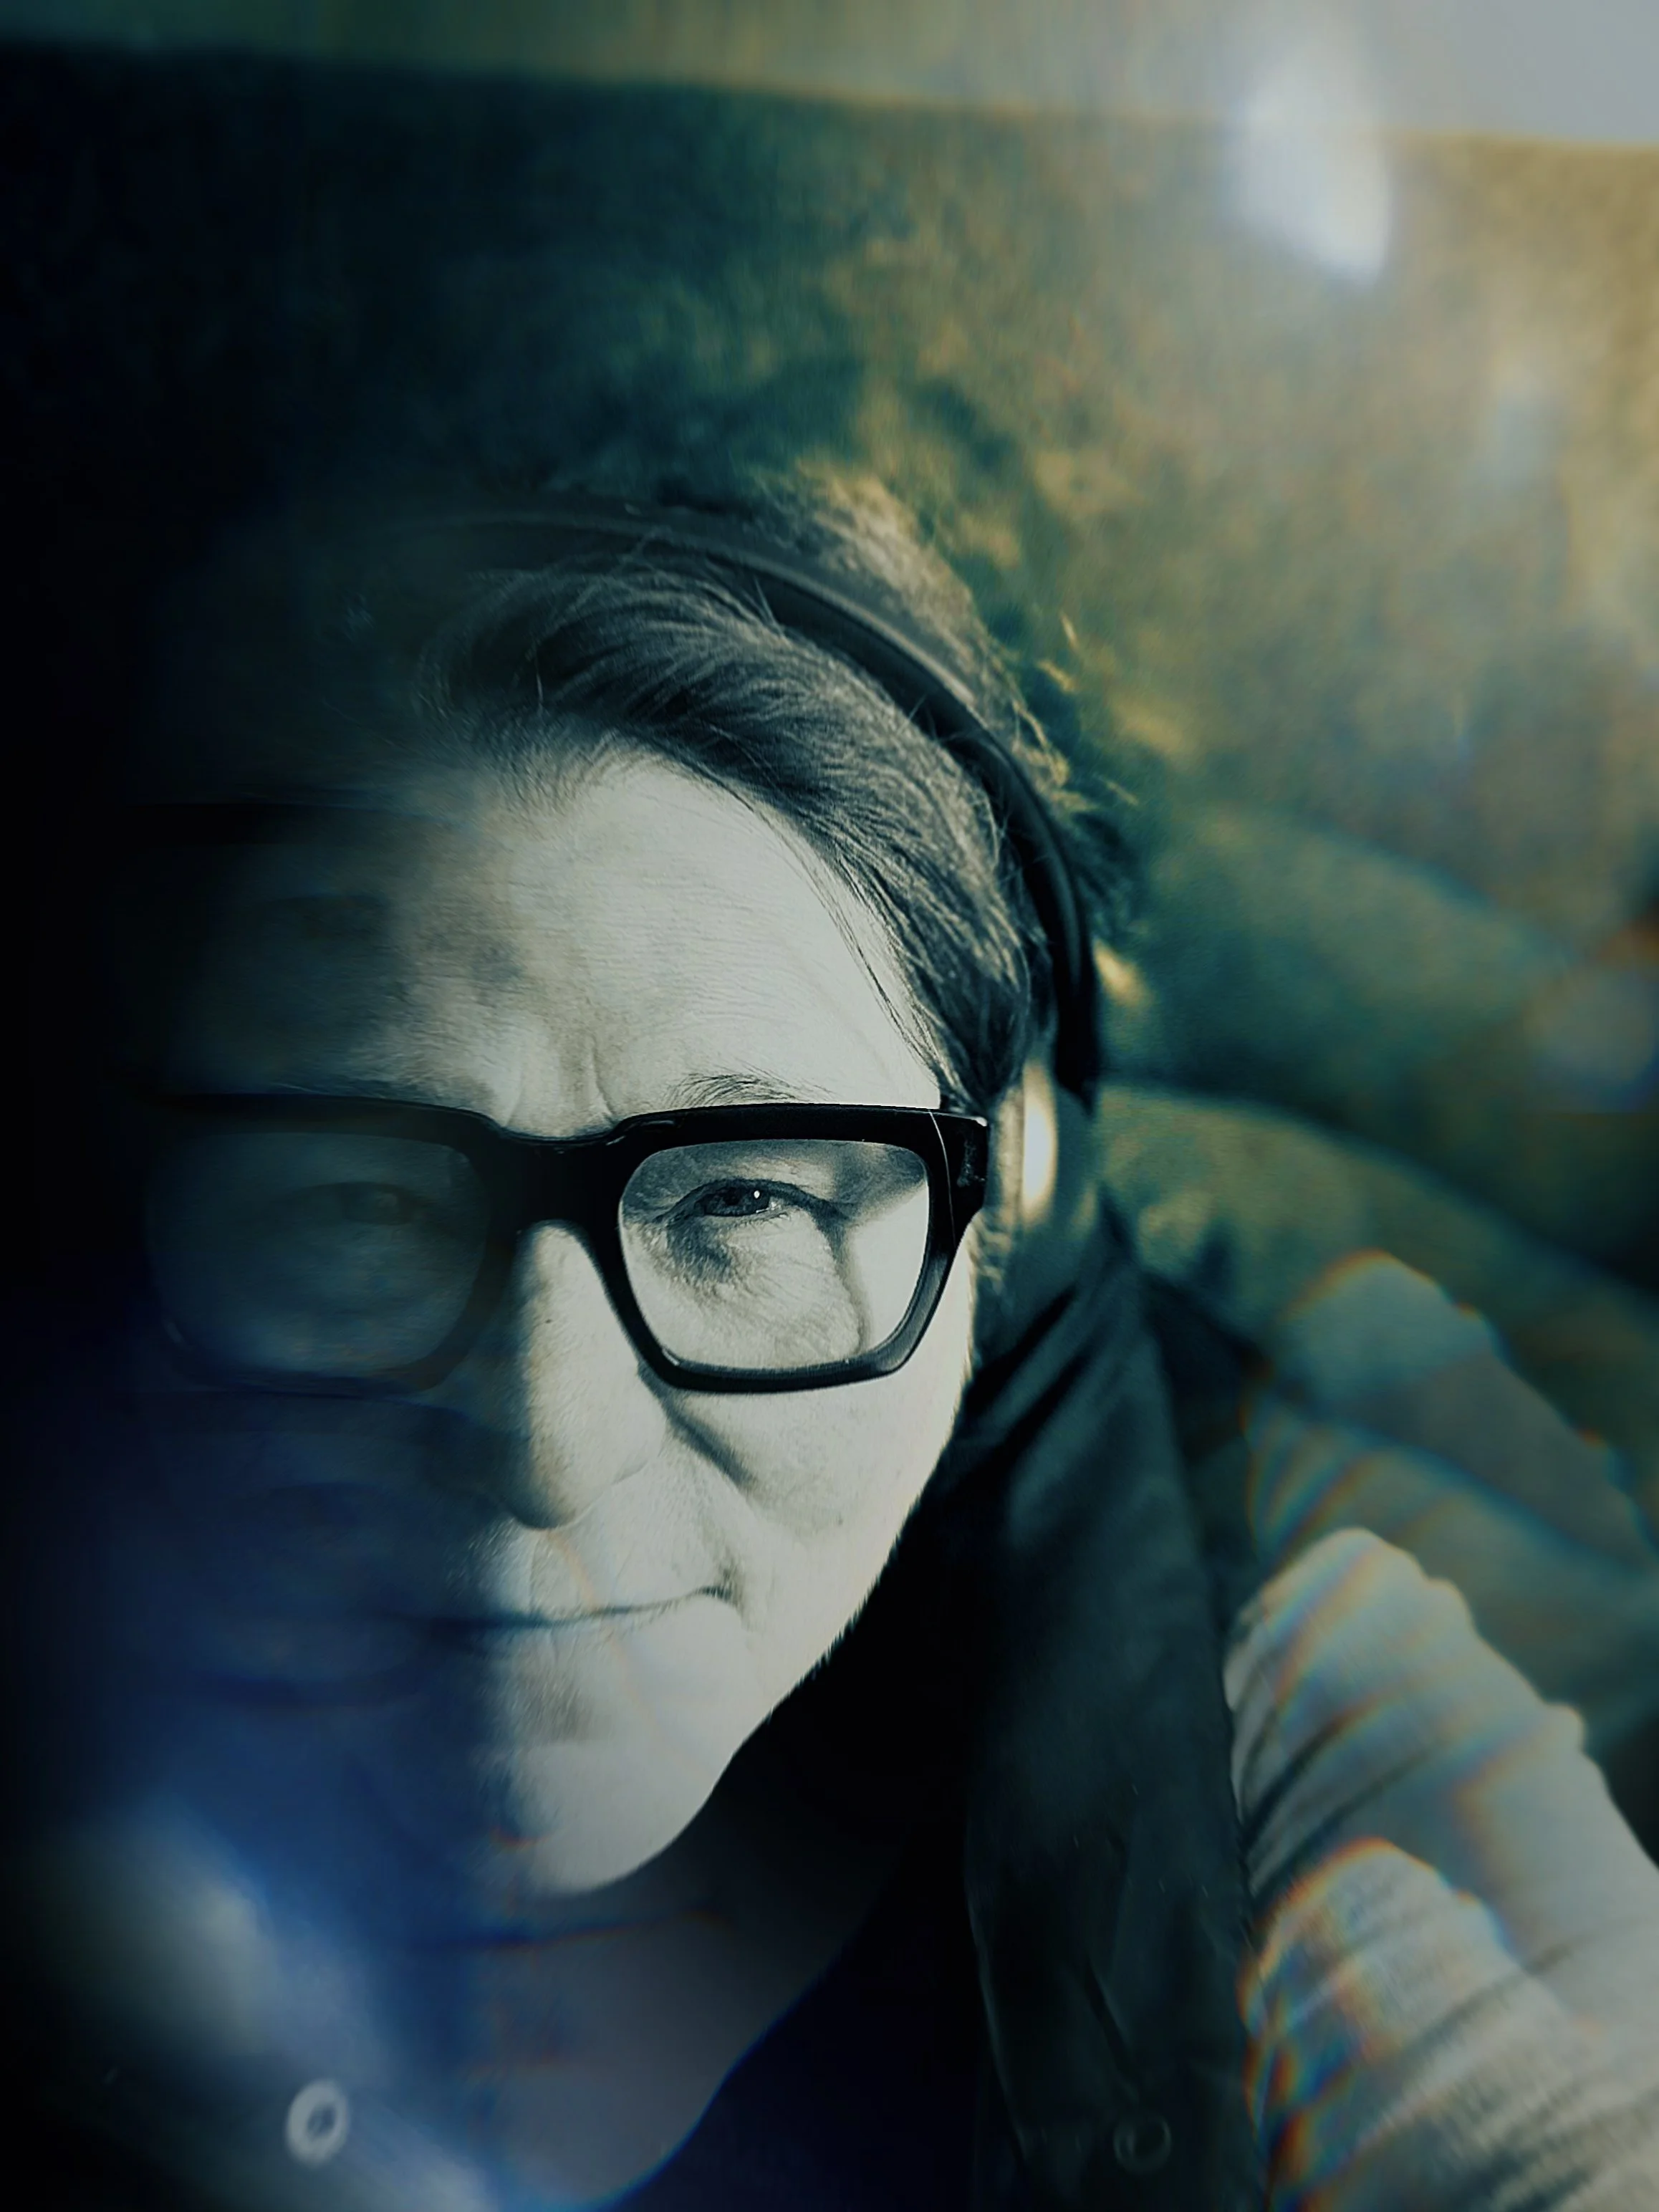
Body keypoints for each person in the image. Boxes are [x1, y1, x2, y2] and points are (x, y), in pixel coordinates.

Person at [7, 465, 1659, 2212]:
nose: (544, 1440)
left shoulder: (1300, 1703)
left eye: (749, 1201)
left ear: (1009, 1207)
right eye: (362, 1200)